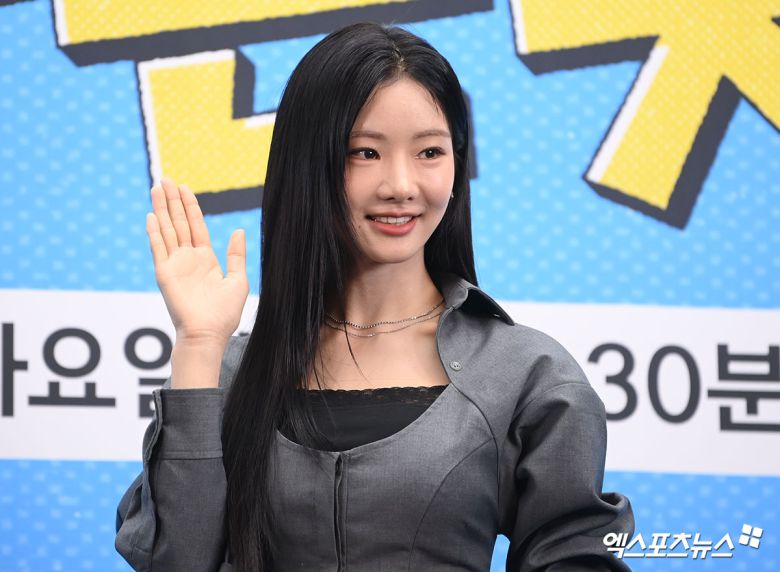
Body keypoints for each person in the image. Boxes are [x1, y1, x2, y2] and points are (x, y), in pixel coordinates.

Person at [115, 21, 634, 571]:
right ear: (308, 163)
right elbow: (177, 560)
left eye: (429, 151)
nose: (401, 186)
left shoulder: (525, 374)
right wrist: (198, 344)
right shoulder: (232, 373)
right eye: (365, 152)